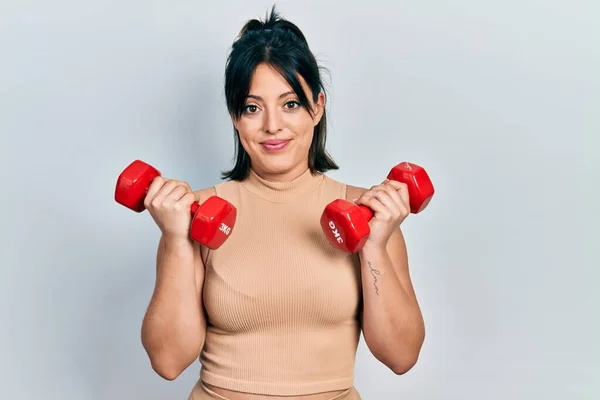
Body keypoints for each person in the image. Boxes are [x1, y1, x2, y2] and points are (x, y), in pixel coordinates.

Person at [139, 6, 425, 400]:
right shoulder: (192, 214)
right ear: (235, 118)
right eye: (252, 108)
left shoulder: (370, 213)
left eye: (290, 104)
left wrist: (374, 244)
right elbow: (168, 361)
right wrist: (175, 241)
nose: (272, 125)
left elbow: (401, 355)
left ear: (318, 106)